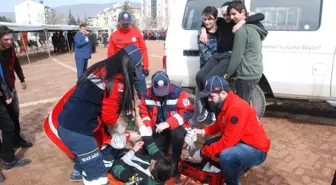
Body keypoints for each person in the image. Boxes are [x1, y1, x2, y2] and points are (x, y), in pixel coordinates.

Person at [45, 44, 142, 185]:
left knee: (94, 152)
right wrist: (128, 134)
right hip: (78, 131)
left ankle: (79, 171)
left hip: (69, 121)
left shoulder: (101, 68)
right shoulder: (116, 82)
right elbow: (109, 117)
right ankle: (89, 175)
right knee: (98, 175)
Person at [191, 75, 270, 185]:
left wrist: (202, 153)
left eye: (211, 96)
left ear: (223, 93)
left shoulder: (236, 108)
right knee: (208, 144)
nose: (209, 99)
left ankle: (232, 182)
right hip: (241, 141)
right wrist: (204, 131)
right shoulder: (224, 103)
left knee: (226, 156)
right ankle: (229, 169)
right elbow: (219, 123)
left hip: (256, 149)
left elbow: (227, 142)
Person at [196, 1, 266, 119]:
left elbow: (261, 16)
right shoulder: (222, 21)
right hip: (218, 55)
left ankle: (214, 110)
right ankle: (206, 108)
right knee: (199, 76)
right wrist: (203, 30)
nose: (228, 17)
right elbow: (208, 20)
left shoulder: (237, 23)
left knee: (209, 80)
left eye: (230, 14)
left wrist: (244, 20)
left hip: (229, 56)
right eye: (224, 15)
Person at [138, 71, 194, 176]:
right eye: (158, 91)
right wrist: (148, 126)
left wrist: (168, 123)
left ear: (169, 84)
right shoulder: (147, 94)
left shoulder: (179, 93)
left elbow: (188, 111)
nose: (161, 94)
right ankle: (161, 159)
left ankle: (175, 162)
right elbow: (143, 112)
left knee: (177, 135)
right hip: (159, 128)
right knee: (151, 150)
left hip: (176, 126)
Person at [110, 103, 174, 185]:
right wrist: (137, 116)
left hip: (115, 159)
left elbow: (115, 167)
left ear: (153, 176)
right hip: (128, 154)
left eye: (153, 163)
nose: (153, 160)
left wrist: (132, 151)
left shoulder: (139, 179)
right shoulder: (160, 165)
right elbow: (149, 142)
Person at [224, 1, 267, 103]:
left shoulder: (242, 30)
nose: (232, 17)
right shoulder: (254, 27)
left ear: (243, 12)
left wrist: (228, 74)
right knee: (246, 105)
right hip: (255, 71)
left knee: (242, 107)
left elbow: (236, 57)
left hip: (246, 74)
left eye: (234, 14)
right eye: (230, 15)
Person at [0, 25, 32, 149]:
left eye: (11, 39)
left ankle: (17, 139)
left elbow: (16, 63)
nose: (9, 42)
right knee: (5, 120)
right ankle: (7, 146)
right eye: (6, 40)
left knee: (15, 115)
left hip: (11, 88)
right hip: (2, 92)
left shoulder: (11, 49)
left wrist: (22, 79)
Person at [107, 10, 149, 99]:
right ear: (118, 22)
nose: (125, 26)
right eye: (123, 24)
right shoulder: (114, 36)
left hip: (137, 68)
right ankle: (127, 111)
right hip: (122, 69)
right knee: (125, 95)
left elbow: (143, 49)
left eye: (127, 23)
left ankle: (146, 111)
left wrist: (145, 66)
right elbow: (111, 54)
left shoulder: (136, 33)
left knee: (143, 94)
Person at [192, 6, 220, 125]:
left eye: (210, 19)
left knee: (215, 96)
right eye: (205, 19)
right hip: (205, 70)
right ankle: (202, 112)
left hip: (218, 71)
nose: (207, 22)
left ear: (216, 19)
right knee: (200, 97)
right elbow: (205, 54)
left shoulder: (221, 30)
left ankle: (212, 113)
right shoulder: (201, 32)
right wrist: (203, 30)